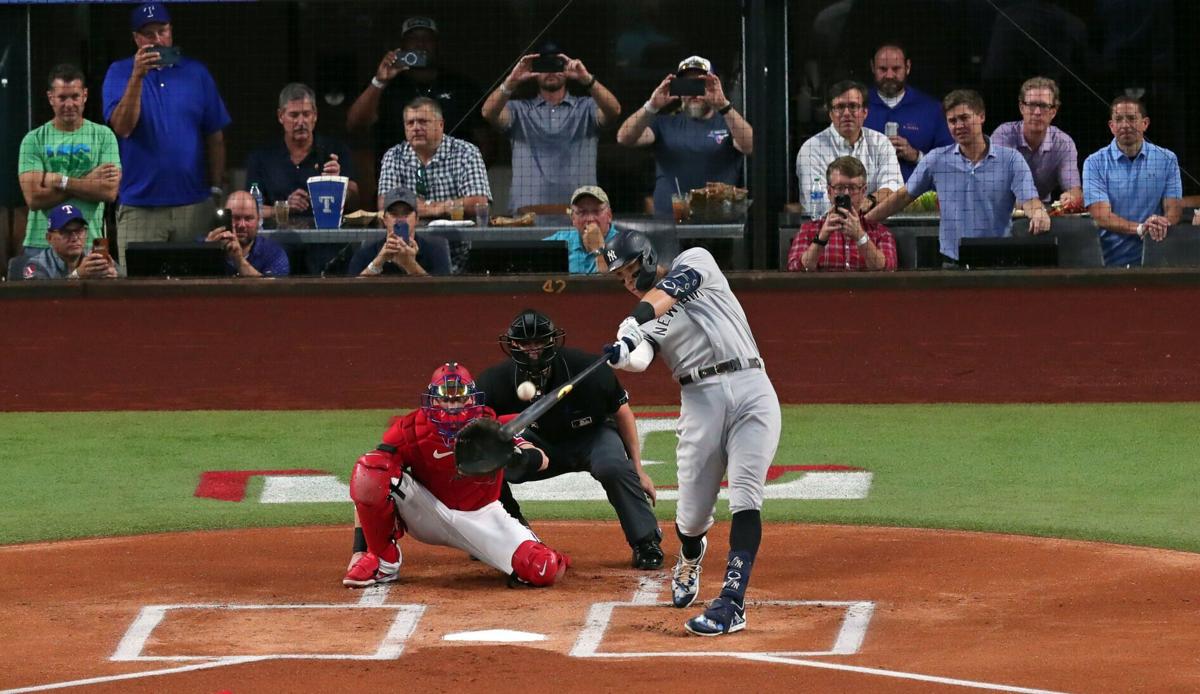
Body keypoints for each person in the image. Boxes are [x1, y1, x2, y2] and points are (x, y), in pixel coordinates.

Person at [601, 229, 781, 636]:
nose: (628, 282)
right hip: (700, 402)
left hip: (752, 387)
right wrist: (623, 352)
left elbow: (672, 290)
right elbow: (640, 359)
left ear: (648, 259)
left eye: (630, 271)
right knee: (692, 517)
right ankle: (690, 553)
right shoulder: (644, 322)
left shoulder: (696, 261)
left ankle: (732, 602)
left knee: (746, 495)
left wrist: (634, 321)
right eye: (620, 278)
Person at [343, 362, 570, 589]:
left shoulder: (490, 427)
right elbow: (369, 480)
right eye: (446, 399)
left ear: (471, 399)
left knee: (542, 568)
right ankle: (383, 562)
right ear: (433, 400)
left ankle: (526, 551)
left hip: (482, 517)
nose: (453, 407)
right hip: (427, 511)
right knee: (371, 468)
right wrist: (359, 549)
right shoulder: (411, 429)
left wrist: (520, 457)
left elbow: (542, 459)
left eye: (459, 399)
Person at [475, 310, 663, 570]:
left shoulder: (587, 369)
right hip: (541, 442)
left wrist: (638, 469)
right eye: (526, 343)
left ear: (552, 341)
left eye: (539, 342)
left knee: (613, 467)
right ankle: (508, 534)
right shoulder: (496, 381)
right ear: (513, 344)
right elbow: (478, 427)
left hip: (593, 437)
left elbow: (622, 413)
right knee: (488, 465)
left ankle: (646, 542)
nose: (533, 350)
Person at [102, 2, 231, 262]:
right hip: (140, 206)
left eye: (162, 31)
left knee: (198, 282)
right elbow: (123, 127)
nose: (157, 39)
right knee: (138, 284)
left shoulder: (196, 73)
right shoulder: (119, 72)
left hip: (194, 204)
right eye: (148, 34)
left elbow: (215, 136)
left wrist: (216, 188)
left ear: (171, 31)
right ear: (136, 39)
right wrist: (137, 76)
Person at [865, 90, 1049, 265]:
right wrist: (865, 222)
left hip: (999, 259)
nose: (959, 126)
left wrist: (1038, 213)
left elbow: (1029, 199)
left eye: (964, 118)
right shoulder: (936, 159)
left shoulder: (1010, 159)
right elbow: (904, 196)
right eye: (952, 121)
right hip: (952, 262)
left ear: (981, 116)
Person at [481, 43, 621, 213]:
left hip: (580, 214)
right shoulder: (519, 109)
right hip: (527, 215)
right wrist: (511, 81)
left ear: (567, 67)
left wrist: (586, 78)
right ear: (535, 70)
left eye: (557, 64)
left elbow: (614, 110)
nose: (551, 71)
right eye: (544, 65)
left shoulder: (587, 107)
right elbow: (488, 112)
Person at [615, 55, 752, 221]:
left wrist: (723, 105)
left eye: (700, 85)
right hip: (669, 224)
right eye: (687, 86)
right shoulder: (664, 123)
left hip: (717, 224)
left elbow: (750, 146)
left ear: (714, 86)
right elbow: (624, 137)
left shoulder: (728, 123)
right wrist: (651, 106)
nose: (694, 94)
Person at [346, 16, 491, 173]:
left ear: (438, 45)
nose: (420, 44)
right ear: (402, 46)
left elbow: (485, 141)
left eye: (427, 39)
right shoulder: (387, 86)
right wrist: (380, 81)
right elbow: (355, 125)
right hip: (397, 179)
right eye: (413, 39)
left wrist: (470, 177)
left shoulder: (461, 86)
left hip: (451, 180)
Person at [378, 97, 490, 274]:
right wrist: (449, 206)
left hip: (460, 254)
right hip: (404, 253)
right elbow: (385, 206)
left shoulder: (467, 152)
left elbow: (478, 203)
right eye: (410, 123)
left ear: (441, 124)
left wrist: (431, 208)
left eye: (423, 121)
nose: (416, 127)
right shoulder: (393, 156)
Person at [18, 64, 121, 252]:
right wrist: (88, 181)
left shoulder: (104, 136)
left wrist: (60, 181)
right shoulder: (33, 140)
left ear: (85, 95)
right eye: (62, 97)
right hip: (42, 243)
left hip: (87, 243)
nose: (69, 104)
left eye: (75, 96)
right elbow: (34, 199)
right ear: (51, 98)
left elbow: (109, 192)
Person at [1082, 96, 1182, 267]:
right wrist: (1140, 228)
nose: (1125, 125)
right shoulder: (1093, 163)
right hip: (1108, 263)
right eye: (1119, 119)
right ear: (1111, 126)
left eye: (1131, 118)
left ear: (1145, 123)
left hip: (1156, 261)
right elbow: (1102, 216)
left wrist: (1162, 223)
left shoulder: (1167, 158)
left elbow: (1174, 209)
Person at [245, 83, 359, 222]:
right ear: (280, 116)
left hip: (326, 232)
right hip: (277, 234)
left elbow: (355, 201)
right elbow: (249, 210)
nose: (301, 122)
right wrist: (283, 208)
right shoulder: (261, 157)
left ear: (315, 115)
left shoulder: (335, 150)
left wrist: (337, 185)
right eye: (294, 115)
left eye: (306, 114)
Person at [796, 80, 901, 219]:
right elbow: (817, 203)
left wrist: (870, 200)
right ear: (830, 114)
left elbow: (895, 187)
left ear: (865, 112)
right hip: (825, 227)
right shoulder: (811, 149)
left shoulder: (881, 143)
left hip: (874, 225)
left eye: (853, 106)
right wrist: (857, 209)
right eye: (839, 107)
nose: (846, 113)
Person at [787, 156, 897, 272]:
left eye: (852, 188)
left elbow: (888, 269)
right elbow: (794, 269)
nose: (846, 194)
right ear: (829, 192)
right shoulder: (808, 230)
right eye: (839, 188)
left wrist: (861, 237)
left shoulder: (880, 233)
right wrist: (821, 238)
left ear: (863, 191)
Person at [862, 43, 953, 181]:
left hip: (918, 193)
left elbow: (951, 162)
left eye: (896, 69)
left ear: (908, 67)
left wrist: (916, 156)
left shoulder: (932, 109)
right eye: (883, 69)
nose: (889, 75)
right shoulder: (856, 107)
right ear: (872, 67)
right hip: (867, 192)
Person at [990, 77, 1082, 207]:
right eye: (1031, 105)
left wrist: (1071, 197)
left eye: (1044, 106)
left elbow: (1073, 188)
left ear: (1053, 112)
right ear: (1022, 108)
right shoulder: (1003, 135)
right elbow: (996, 187)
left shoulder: (1064, 143)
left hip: (1043, 208)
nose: (1037, 112)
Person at [347, 187, 451, 277]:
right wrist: (379, 261)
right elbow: (351, 290)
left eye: (406, 214)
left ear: (417, 219)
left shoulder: (435, 252)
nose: (400, 220)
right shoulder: (366, 253)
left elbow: (442, 291)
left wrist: (410, 265)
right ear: (384, 220)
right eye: (394, 214)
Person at [15, 203, 119, 280]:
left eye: (79, 231)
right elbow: (41, 297)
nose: (75, 238)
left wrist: (115, 277)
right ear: (49, 238)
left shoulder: (95, 258)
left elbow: (124, 279)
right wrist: (77, 275)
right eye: (66, 232)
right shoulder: (36, 264)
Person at [203, 191, 289, 277]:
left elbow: (273, 285)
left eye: (248, 218)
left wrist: (239, 260)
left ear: (258, 220)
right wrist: (208, 253)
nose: (242, 225)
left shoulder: (274, 254)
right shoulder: (206, 244)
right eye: (236, 218)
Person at [541, 186, 618, 274]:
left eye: (596, 211)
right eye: (582, 212)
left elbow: (615, 279)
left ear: (609, 215)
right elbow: (531, 256)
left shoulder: (623, 242)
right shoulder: (560, 240)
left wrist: (598, 249)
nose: (590, 219)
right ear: (573, 218)